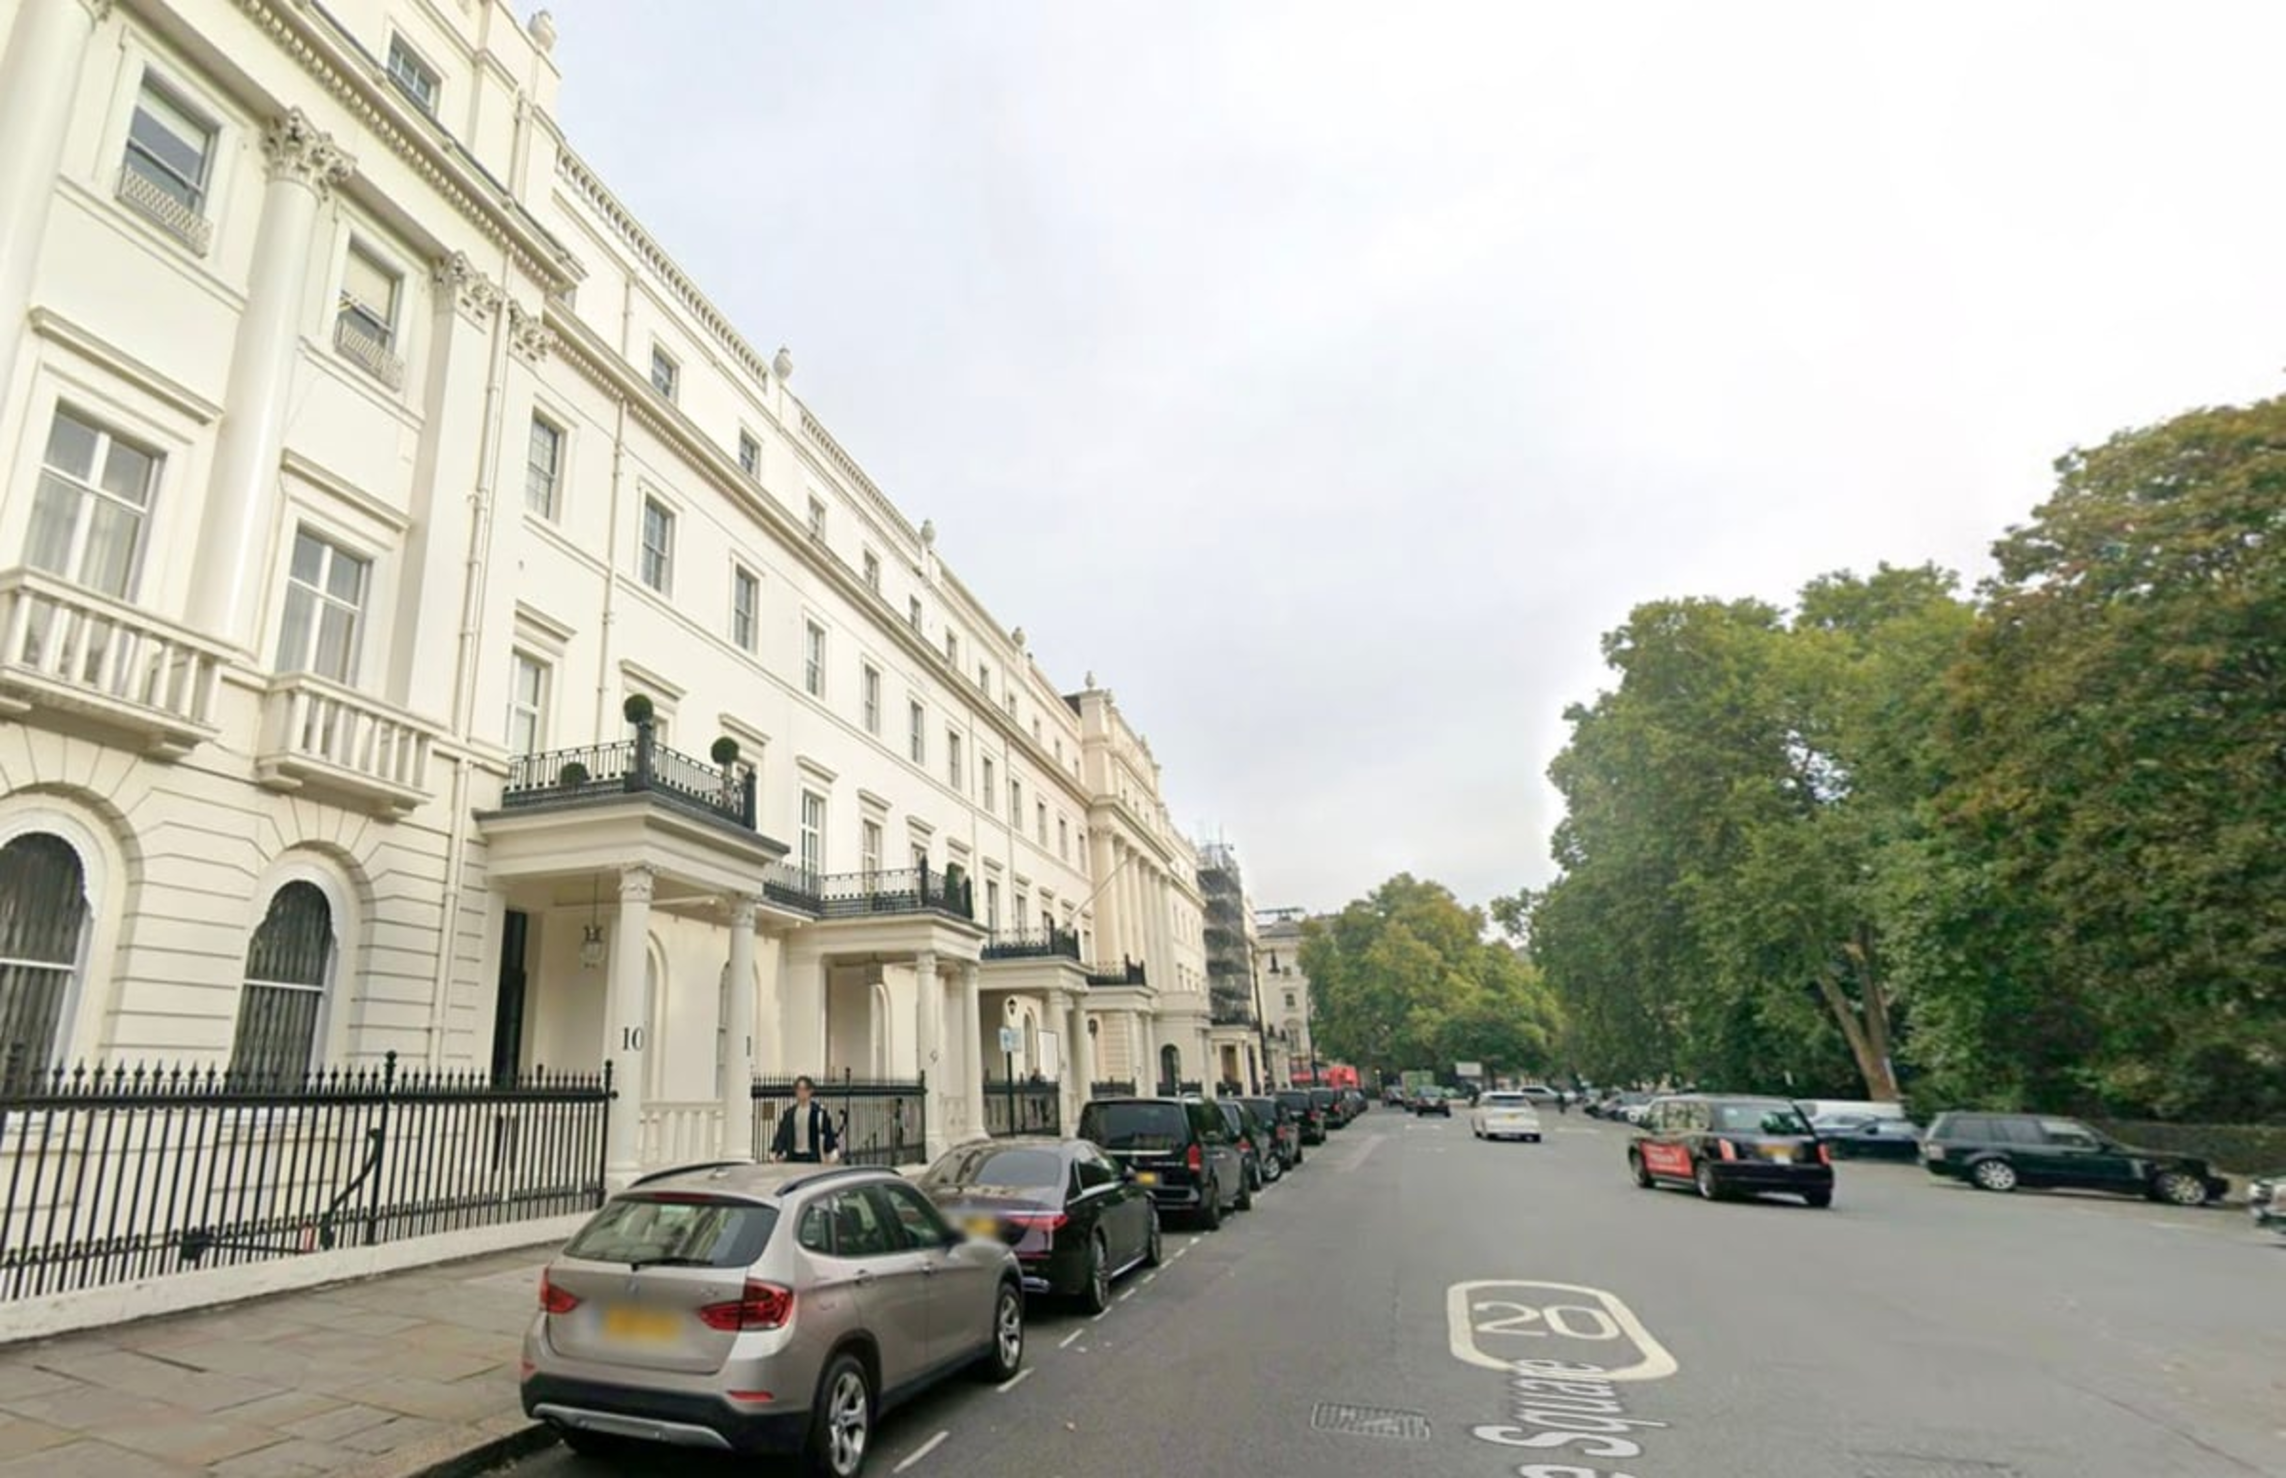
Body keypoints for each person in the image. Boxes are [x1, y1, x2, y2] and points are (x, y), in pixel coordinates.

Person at [770, 1075, 840, 1164]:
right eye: (798, 1089)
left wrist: (831, 1151)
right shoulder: (790, 1113)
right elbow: (782, 1134)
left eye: (804, 1089)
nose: (801, 1093)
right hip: (793, 1156)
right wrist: (777, 1150)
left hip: (812, 1157)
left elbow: (827, 1133)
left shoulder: (818, 1112)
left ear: (810, 1091)